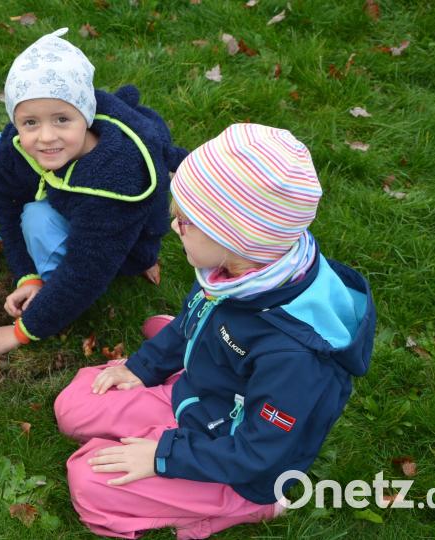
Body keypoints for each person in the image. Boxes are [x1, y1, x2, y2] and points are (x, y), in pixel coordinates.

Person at [53, 123, 376, 539]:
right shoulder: (233, 271)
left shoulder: (294, 357)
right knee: (74, 407)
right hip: (197, 397)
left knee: (89, 479)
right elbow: (196, 312)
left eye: (185, 220)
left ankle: (245, 508)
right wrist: (143, 366)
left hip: (234, 464)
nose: (173, 225)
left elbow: (257, 452)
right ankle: (194, 360)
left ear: (234, 237)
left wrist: (162, 456)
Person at [0, 28, 189, 356]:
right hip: (68, 198)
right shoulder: (18, 142)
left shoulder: (115, 181)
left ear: (86, 116)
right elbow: (8, 205)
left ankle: (52, 300)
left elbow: (84, 273)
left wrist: (24, 330)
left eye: (62, 119)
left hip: (116, 246)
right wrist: (26, 275)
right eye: (30, 122)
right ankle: (39, 277)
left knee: (36, 218)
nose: (45, 136)